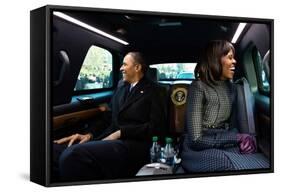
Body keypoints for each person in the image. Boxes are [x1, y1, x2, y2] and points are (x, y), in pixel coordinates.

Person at [52, 52, 166, 181]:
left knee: (73, 155)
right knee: (54, 151)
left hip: (135, 144)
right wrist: (89, 134)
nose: (120, 68)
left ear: (137, 68)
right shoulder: (121, 88)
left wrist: (121, 133)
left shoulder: (155, 91)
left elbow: (157, 127)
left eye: (124, 64)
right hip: (110, 138)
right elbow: (108, 118)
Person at [180, 40, 269, 172]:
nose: (235, 62)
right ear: (215, 60)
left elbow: (233, 127)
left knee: (260, 160)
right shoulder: (198, 87)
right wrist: (237, 138)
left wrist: (245, 140)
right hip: (198, 148)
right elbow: (196, 140)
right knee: (223, 162)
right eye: (230, 57)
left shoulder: (232, 89)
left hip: (225, 141)